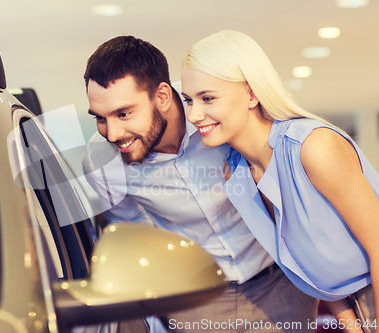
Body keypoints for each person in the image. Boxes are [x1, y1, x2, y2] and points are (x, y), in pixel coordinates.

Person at [82, 35, 318, 332]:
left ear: (163, 96)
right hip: (193, 300)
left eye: (124, 113)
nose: (113, 133)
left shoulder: (215, 115)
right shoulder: (101, 160)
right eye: (100, 119)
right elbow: (133, 231)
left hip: (279, 282)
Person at [182, 30, 378, 333]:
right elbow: (305, 263)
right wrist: (351, 325)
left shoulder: (313, 147)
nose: (194, 115)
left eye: (207, 98)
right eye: (189, 100)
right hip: (352, 307)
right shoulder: (235, 175)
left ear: (251, 93)